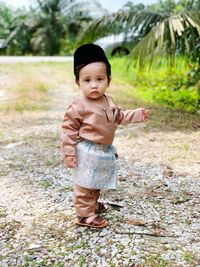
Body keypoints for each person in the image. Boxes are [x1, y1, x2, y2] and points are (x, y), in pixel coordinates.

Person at [61, 43, 149, 228]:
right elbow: (68, 130)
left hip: (103, 150)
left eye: (99, 79)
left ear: (109, 80)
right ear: (78, 82)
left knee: (96, 180)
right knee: (85, 183)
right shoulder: (79, 105)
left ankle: (92, 205)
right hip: (87, 150)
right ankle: (84, 215)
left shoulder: (108, 101)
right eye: (87, 80)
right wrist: (69, 153)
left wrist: (138, 115)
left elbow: (119, 117)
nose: (94, 85)